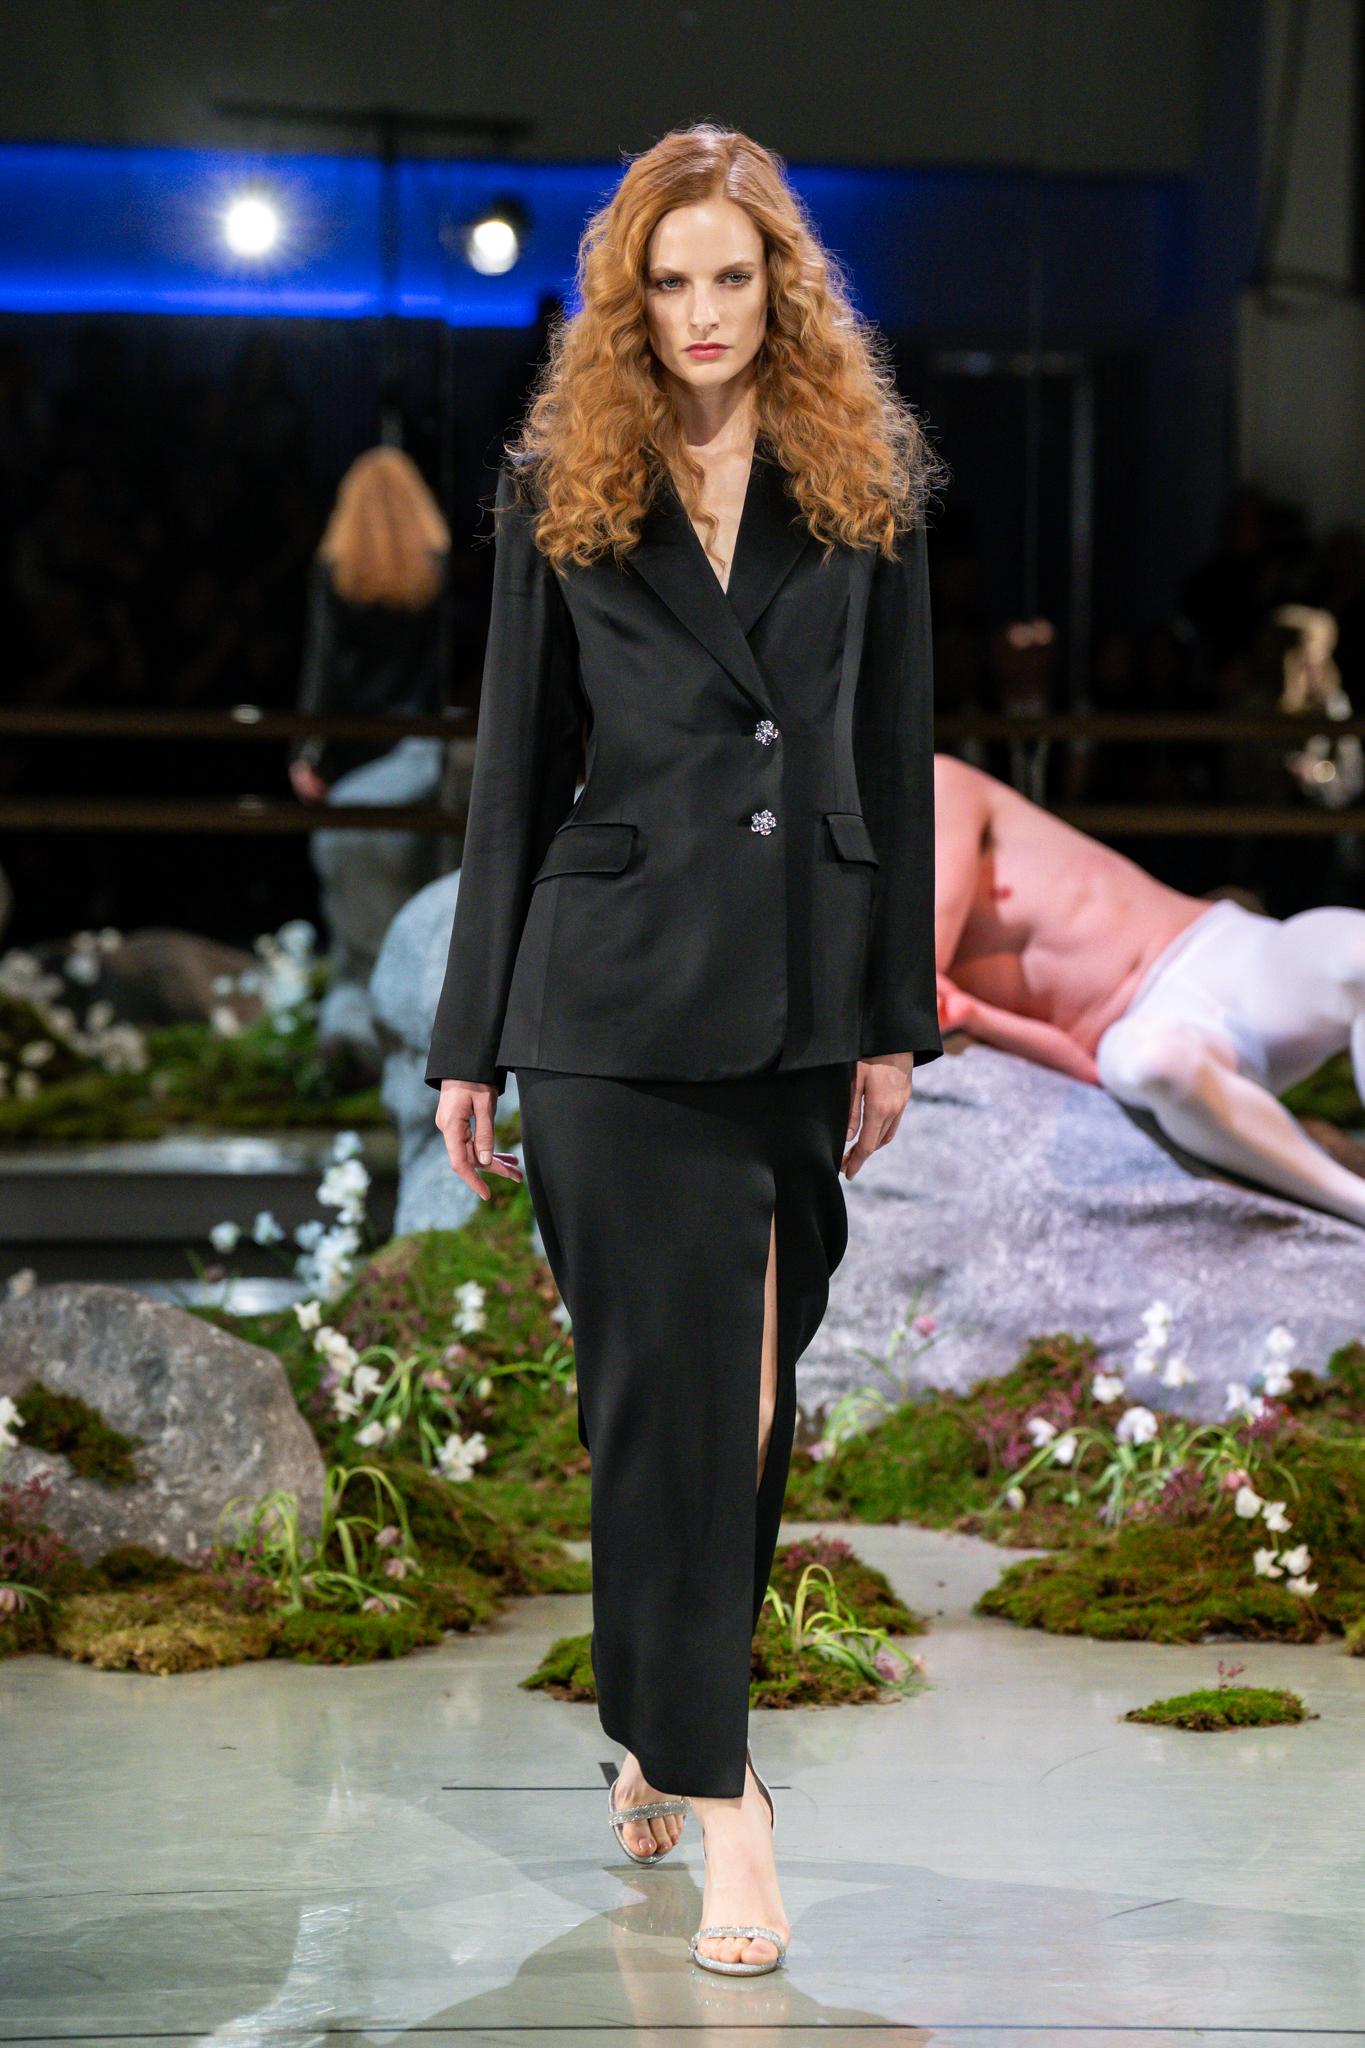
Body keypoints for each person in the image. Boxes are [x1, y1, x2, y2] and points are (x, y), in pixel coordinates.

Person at [424, 123, 945, 1977]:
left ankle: (655, 1717)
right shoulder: (560, 480)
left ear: (782, 285)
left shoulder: (862, 475)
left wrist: (897, 1022)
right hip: (612, 1007)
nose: (704, 311)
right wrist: (470, 1040)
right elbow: (511, 774)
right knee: (675, 1406)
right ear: (625, 297)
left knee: (749, 1401)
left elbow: (894, 753)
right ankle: (731, 1809)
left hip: (800, 995)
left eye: (733, 276)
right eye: (671, 281)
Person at [933, 752, 1365, 1226]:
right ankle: (1355, 1204)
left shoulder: (937, 784)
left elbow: (923, 955)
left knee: (1356, 955)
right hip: (1146, 1031)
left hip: (1220, 948)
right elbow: (1081, 1069)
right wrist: (978, 1018)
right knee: (1152, 1064)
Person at [289, 447, 451, 1066]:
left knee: (357, 935)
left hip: (355, 765)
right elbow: (443, 671)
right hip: (419, 756)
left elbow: (322, 666)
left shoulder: (336, 569)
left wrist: (307, 753)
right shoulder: (435, 566)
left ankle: (357, 1054)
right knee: (417, 908)